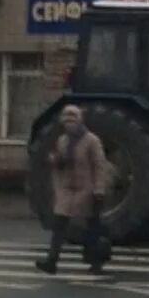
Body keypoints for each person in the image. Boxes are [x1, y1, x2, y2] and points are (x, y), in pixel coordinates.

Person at [35, 105, 109, 275]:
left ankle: (96, 262)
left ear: (80, 120)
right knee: (59, 225)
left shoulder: (91, 140)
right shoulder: (63, 140)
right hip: (66, 188)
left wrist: (99, 190)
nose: (69, 123)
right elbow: (61, 163)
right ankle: (51, 261)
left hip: (86, 188)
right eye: (66, 120)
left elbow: (99, 166)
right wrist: (55, 160)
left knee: (91, 227)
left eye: (73, 119)